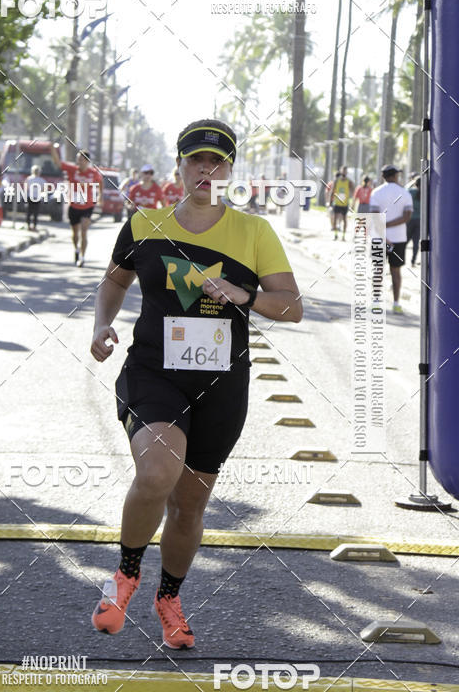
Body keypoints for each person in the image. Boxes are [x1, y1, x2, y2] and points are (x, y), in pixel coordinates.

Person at [89, 118, 302, 649]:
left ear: (231, 170)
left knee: (189, 504)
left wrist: (244, 294)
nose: (207, 170)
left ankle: (169, 599)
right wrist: (101, 323)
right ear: (179, 166)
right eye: (196, 161)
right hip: (154, 372)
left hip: (221, 384)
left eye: (219, 162)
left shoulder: (254, 232)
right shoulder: (144, 224)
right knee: (159, 472)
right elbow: (115, 279)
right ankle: (126, 576)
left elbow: (293, 307)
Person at [370, 164, 413, 314]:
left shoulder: (376, 192)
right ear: (395, 176)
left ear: (383, 176)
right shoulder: (405, 193)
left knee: (378, 269)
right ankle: (395, 303)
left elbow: (375, 216)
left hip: (379, 237)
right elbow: (407, 216)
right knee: (396, 271)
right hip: (399, 238)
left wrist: (383, 229)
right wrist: (389, 225)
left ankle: (376, 302)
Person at [64, 149, 103, 267]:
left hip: (88, 206)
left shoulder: (94, 173)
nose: (78, 161)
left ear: (87, 161)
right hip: (74, 205)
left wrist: (100, 196)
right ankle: (76, 249)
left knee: (84, 232)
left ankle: (82, 257)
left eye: (80, 159)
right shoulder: (73, 171)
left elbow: (101, 183)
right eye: (77, 159)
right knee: (75, 234)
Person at [329, 166, 354, 239]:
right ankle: (336, 235)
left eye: (345, 171)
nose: (344, 172)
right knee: (335, 219)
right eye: (343, 171)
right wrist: (330, 201)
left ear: (347, 172)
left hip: (345, 203)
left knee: (344, 219)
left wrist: (351, 200)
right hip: (337, 203)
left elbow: (353, 191)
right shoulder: (336, 180)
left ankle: (343, 236)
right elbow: (332, 191)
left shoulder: (349, 181)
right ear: (341, 171)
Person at [25, 164, 45, 231]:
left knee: (29, 212)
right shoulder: (42, 180)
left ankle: (28, 226)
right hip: (37, 198)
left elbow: (26, 188)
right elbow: (44, 189)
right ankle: (34, 226)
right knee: (35, 213)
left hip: (30, 197)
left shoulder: (29, 179)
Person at [407, 175, 421, 267]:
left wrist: (412, 182)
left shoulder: (411, 191)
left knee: (405, 240)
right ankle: (413, 261)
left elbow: (404, 189)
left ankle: (398, 259)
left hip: (410, 219)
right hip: (420, 220)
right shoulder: (425, 193)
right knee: (416, 242)